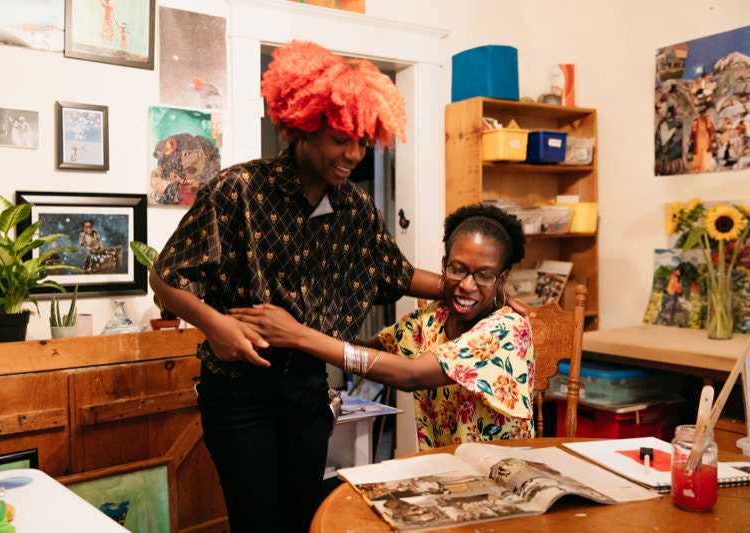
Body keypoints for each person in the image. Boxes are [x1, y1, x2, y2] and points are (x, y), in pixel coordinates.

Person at [149, 39, 441, 533]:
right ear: (302, 127)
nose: (353, 154)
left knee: (303, 520)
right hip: (240, 396)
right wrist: (215, 325)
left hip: (307, 394)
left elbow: (397, 271)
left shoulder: (356, 209)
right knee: (258, 523)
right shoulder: (238, 190)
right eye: (338, 139)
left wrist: (470, 286)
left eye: (362, 141)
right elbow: (165, 277)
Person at [232, 203, 534, 451]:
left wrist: (300, 336)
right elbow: (369, 349)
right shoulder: (436, 317)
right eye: (457, 269)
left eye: (484, 275)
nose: (467, 285)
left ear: (503, 279)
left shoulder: (507, 328)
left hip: (498, 478)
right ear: (444, 265)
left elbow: (411, 375)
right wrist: (294, 329)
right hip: (446, 473)